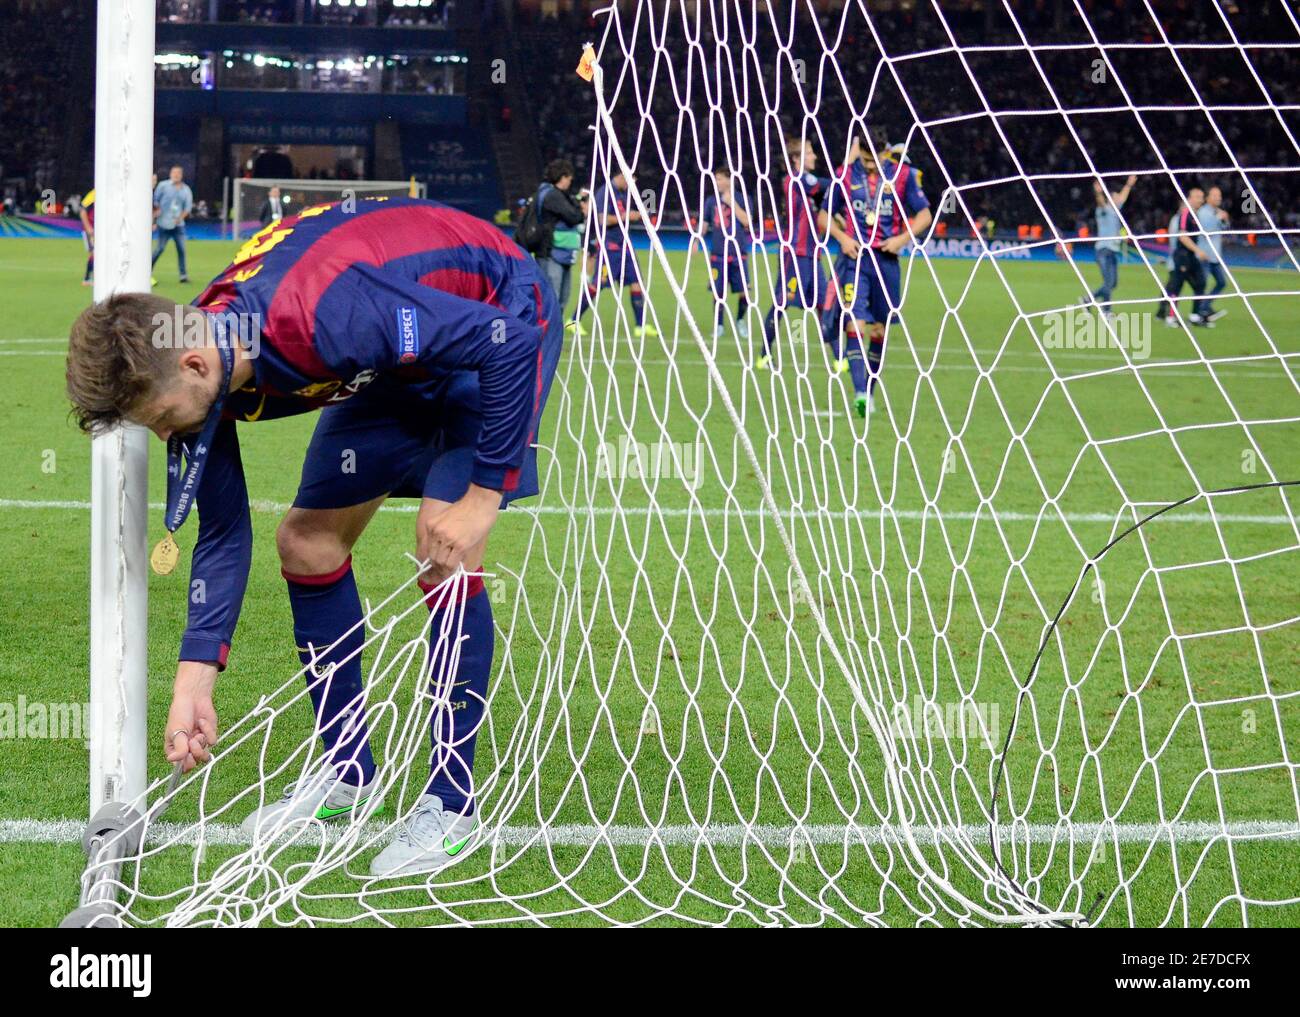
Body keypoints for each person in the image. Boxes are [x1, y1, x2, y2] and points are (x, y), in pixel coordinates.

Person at [65, 197, 564, 878]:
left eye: (157, 419)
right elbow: (223, 526)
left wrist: (482, 498)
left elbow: (508, 344)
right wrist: (194, 678)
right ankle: (348, 773)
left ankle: (452, 806)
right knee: (306, 542)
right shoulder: (206, 351)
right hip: (399, 359)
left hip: (498, 316)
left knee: (443, 544)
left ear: (191, 363)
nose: (162, 436)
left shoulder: (323, 316)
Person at [823, 133, 932, 417]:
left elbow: (925, 215)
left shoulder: (903, 175)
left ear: (885, 152)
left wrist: (902, 239)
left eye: (874, 160)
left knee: (879, 330)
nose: (869, 166)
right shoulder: (844, 175)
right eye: (865, 159)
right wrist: (842, 238)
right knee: (854, 324)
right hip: (855, 260)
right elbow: (823, 216)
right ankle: (859, 391)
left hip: (887, 260)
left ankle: (869, 391)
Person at [759, 136, 832, 368]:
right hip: (795, 252)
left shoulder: (808, 185)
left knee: (824, 302)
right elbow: (826, 184)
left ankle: (841, 358)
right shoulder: (793, 180)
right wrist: (847, 170)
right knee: (783, 302)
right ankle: (763, 355)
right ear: (796, 159)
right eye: (810, 153)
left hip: (813, 253)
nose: (815, 156)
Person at [572, 168, 656, 338]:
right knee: (598, 284)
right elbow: (603, 219)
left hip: (625, 246)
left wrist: (635, 215)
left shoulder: (622, 193)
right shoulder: (605, 192)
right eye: (630, 180)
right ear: (621, 176)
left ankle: (640, 326)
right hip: (610, 248)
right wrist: (626, 216)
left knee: (637, 283)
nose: (632, 184)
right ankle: (573, 320)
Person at [699, 167, 753, 339]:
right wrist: (695, 240)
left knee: (744, 291)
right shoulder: (710, 201)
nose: (717, 182)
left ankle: (740, 320)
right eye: (716, 179)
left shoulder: (743, 198)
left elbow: (747, 222)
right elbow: (705, 223)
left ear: (730, 180)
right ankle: (719, 325)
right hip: (718, 254)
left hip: (738, 253)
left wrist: (731, 203)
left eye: (720, 179)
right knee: (718, 292)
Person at [531, 159, 587, 316]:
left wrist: (577, 203)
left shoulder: (556, 195)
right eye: (569, 178)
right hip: (551, 252)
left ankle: (551, 335)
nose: (570, 181)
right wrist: (582, 210)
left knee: (561, 299)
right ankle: (544, 337)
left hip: (563, 253)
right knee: (552, 299)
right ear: (563, 177)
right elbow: (573, 216)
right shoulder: (552, 195)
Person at [1155, 186, 1209, 327]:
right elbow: (1183, 237)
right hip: (1182, 256)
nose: (1200, 200)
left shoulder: (1195, 216)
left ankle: (1195, 316)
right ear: (1190, 199)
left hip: (1190, 256)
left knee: (1201, 283)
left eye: (1201, 197)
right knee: (1176, 286)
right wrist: (1198, 250)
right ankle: (1171, 318)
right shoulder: (1185, 214)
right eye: (1197, 197)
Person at [1084, 174, 1137, 317]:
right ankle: (1106, 311)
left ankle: (1088, 299)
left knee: (1112, 284)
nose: (1119, 198)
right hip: (1103, 250)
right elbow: (1100, 202)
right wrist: (1098, 192)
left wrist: (1129, 184)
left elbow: (1123, 197)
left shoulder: (1115, 212)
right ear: (1110, 199)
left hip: (1112, 251)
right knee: (1108, 282)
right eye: (1116, 196)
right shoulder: (1104, 210)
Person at [152, 165, 194, 283]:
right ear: (170, 174)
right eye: (174, 173)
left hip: (178, 225)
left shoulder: (186, 190)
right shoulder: (163, 186)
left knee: (181, 249)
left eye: (178, 173)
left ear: (181, 175)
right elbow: (155, 200)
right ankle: (147, 271)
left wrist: (180, 218)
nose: (176, 175)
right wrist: (157, 210)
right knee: (159, 249)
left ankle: (183, 275)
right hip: (163, 223)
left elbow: (187, 207)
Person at [1194, 185, 1230, 322]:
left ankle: (1204, 307)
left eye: (1219, 196)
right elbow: (1205, 230)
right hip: (1205, 254)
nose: (1218, 198)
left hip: (1215, 255)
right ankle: (1199, 311)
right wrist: (1218, 218)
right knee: (1202, 283)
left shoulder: (1218, 212)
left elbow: (1225, 228)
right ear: (1208, 198)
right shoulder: (1203, 212)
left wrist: (1224, 220)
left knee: (1221, 282)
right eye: (1215, 195)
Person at [78, 188, 95, 286]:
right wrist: (88, 228)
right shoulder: (94, 194)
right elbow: (83, 211)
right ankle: (87, 278)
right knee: (95, 254)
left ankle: (88, 278)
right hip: (92, 231)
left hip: (102, 231)